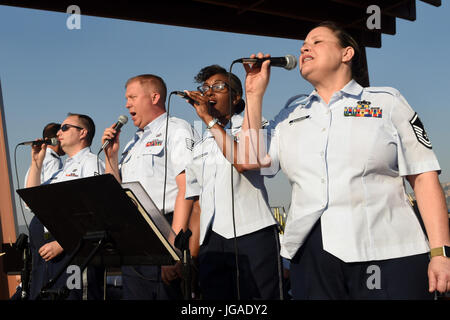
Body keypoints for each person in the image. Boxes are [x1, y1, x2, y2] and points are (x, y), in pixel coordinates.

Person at [239, 21, 450, 299]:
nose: (304, 48)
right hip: (313, 256)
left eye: (317, 42)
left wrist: (440, 252)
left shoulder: (386, 102)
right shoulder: (290, 115)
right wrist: (254, 95)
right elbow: (248, 159)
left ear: (346, 53)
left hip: (388, 252)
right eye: (303, 44)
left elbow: (423, 176)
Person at [183, 65, 282, 300]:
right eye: (205, 88)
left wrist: (208, 120)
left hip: (253, 235)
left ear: (237, 97)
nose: (209, 93)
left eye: (218, 87)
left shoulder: (256, 126)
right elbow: (197, 205)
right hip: (212, 241)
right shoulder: (201, 143)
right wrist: (191, 256)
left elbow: (243, 161)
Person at [101, 74, 199, 300]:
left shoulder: (177, 129)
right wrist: (111, 157)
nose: (127, 104)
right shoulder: (131, 143)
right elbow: (115, 194)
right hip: (135, 239)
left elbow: (187, 189)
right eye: (126, 99)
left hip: (166, 231)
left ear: (154, 97)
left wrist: (172, 249)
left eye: (132, 97)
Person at [25, 113, 105, 300]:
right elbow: (32, 201)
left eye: (65, 127)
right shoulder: (61, 171)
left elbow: (95, 211)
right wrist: (36, 164)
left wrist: (62, 243)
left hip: (73, 256)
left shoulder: (91, 162)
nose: (59, 132)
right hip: (47, 262)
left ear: (83, 133)